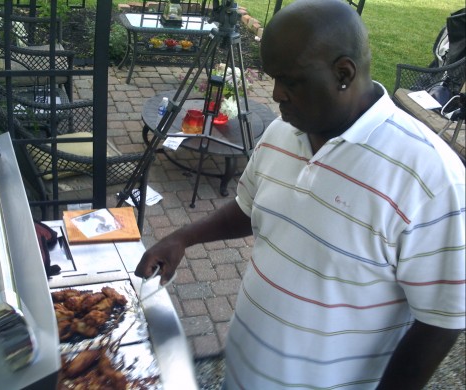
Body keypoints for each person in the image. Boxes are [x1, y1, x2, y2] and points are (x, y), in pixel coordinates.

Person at [135, 0, 466, 388]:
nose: (276, 94)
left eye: (290, 81)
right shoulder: (281, 133)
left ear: (344, 73)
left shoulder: (432, 180)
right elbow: (250, 207)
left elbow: (440, 321)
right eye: (274, 78)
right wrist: (183, 238)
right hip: (242, 370)